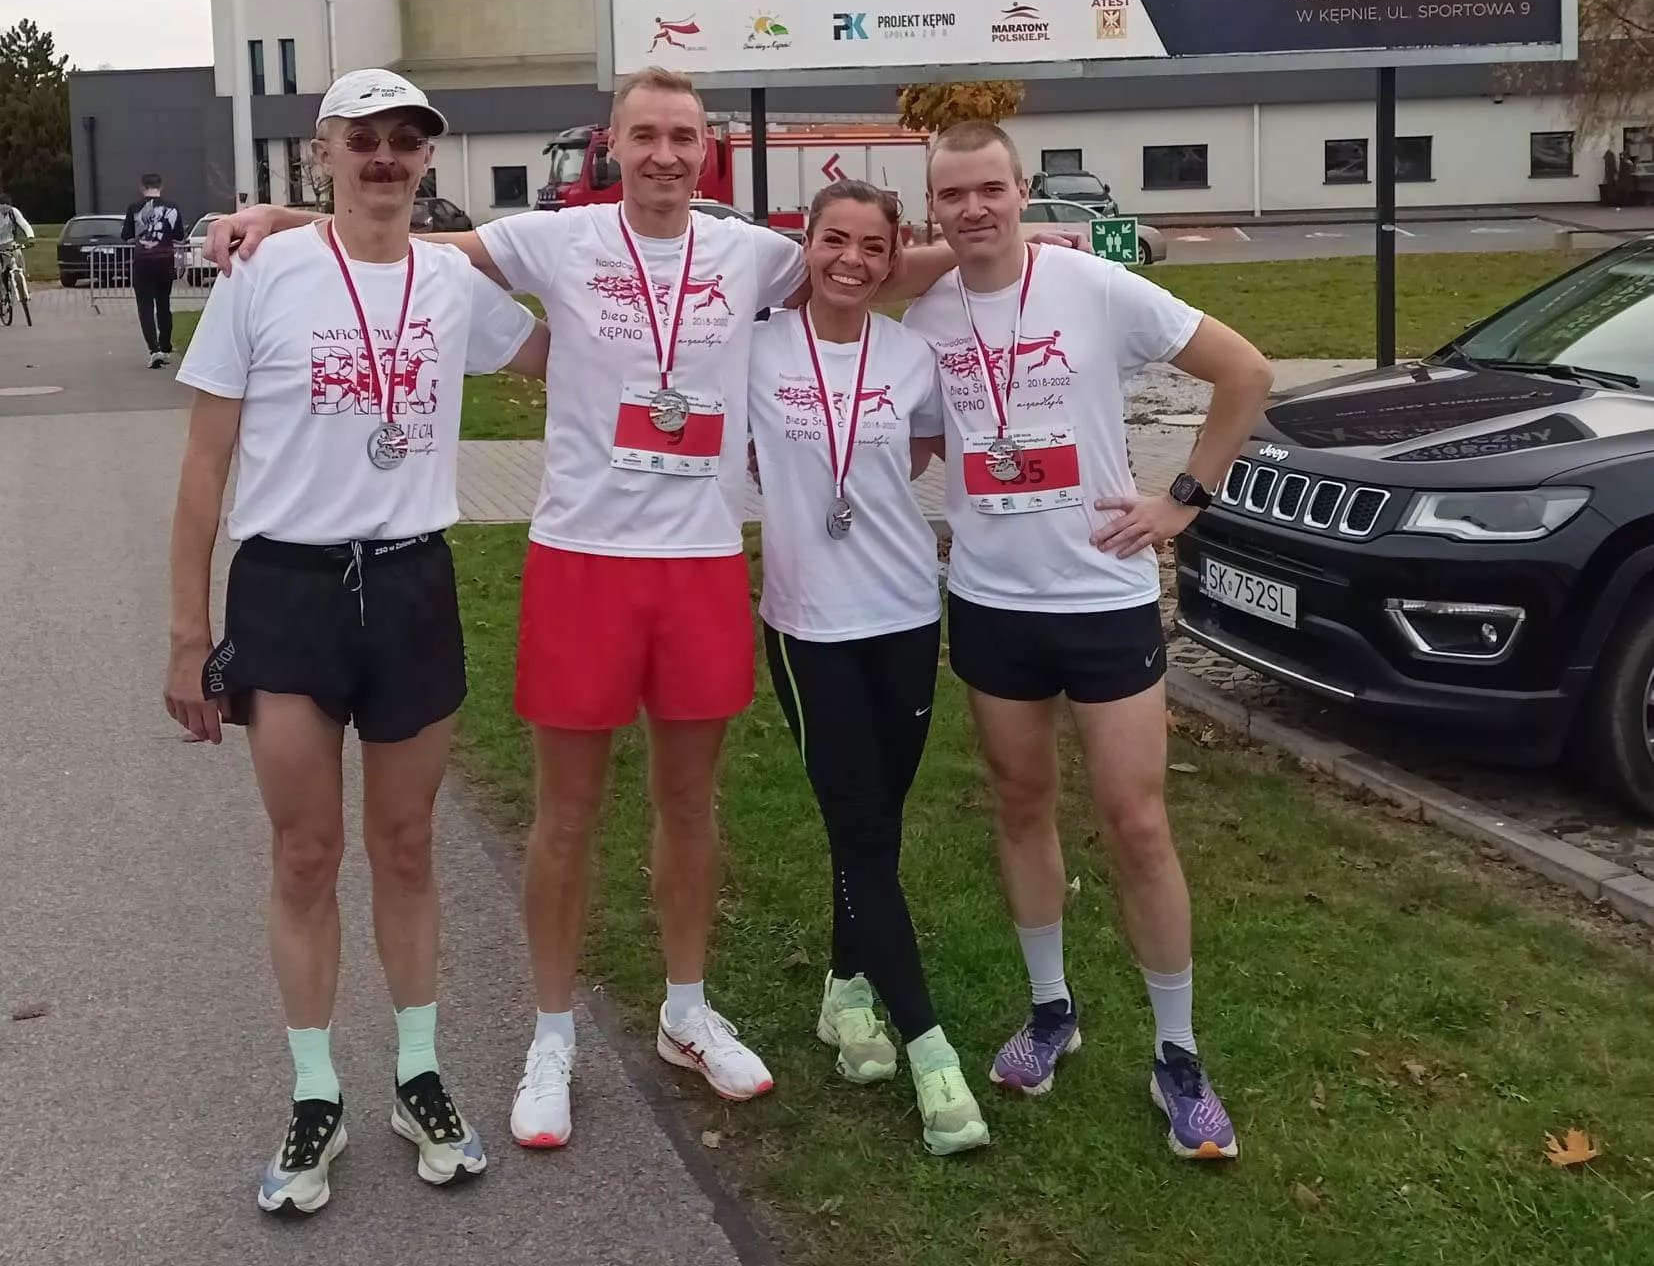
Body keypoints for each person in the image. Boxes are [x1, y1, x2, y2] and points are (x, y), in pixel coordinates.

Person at [205, 66, 975, 1152]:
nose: (664, 153)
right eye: (644, 134)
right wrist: (286, 220)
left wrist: (1004, 250)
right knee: (565, 815)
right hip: (581, 560)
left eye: (682, 136)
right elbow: (408, 241)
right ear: (614, 144)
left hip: (700, 563)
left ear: (705, 151)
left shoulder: (749, 254)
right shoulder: (553, 240)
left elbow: (876, 267)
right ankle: (552, 1034)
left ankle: (686, 1011)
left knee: (689, 805)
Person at [166, 70, 550, 1216]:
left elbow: (565, 354)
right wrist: (188, 636)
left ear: (427, 158)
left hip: (412, 580)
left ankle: (418, 1077)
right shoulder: (263, 275)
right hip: (289, 587)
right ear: (322, 152)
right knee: (304, 852)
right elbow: (204, 464)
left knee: (409, 845)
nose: (385, 156)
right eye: (363, 139)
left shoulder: (451, 282)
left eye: (405, 141)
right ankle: (316, 1090)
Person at [903, 121, 1273, 1162]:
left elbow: (1245, 372)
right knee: (1021, 805)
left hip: (1102, 596)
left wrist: (1183, 499)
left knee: (1136, 822)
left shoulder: (1097, 288)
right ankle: (1050, 1008)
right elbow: (913, 433)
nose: (973, 208)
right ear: (934, 208)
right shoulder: (929, 315)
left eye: (990, 188)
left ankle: (1177, 1054)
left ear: (1022, 191)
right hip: (990, 600)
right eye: (952, 194)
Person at [747, 181, 989, 1157]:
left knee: (874, 829)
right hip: (810, 626)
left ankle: (846, 993)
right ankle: (932, 1054)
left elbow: (924, 443)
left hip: (905, 613)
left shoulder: (910, 355)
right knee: (857, 825)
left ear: (894, 260)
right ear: (804, 247)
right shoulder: (757, 347)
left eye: (871, 247)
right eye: (832, 241)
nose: (850, 260)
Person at [122, 173, 186, 367]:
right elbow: (179, 235)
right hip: (165, 261)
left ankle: (154, 349)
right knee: (164, 304)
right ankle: (165, 347)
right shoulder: (172, 207)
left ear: (142, 187)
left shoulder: (134, 208)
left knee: (145, 306)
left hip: (143, 262)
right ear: (161, 186)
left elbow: (127, 236)